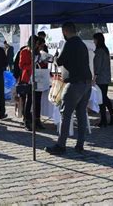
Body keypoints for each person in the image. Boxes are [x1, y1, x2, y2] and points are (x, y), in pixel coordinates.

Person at [45, 22, 92, 155]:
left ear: (65, 31)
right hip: (86, 83)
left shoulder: (69, 43)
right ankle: (80, 144)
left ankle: (61, 145)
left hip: (74, 83)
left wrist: (54, 58)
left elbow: (59, 62)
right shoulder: (82, 44)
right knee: (81, 114)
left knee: (65, 114)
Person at [19, 36, 47, 131]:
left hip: (39, 78)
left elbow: (43, 65)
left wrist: (44, 61)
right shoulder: (25, 51)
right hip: (28, 78)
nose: (37, 45)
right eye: (36, 43)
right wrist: (32, 64)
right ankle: (27, 121)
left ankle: (37, 120)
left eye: (38, 44)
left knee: (38, 100)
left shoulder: (39, 52)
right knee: (29, 100)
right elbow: (21, 65)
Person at [93, 33, 113, 127]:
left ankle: (104, 120)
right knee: (104, 98)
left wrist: (94, 78)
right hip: (106, 77)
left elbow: (97, 67)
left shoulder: (99, 51)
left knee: (101, 99)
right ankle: (111, 116)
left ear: (98, 40)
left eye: (94, 40)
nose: (93, 41)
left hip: (100, 79)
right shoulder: (105, 50)